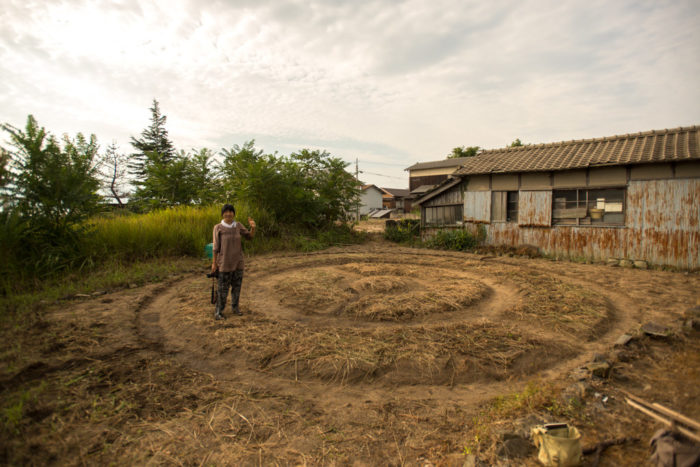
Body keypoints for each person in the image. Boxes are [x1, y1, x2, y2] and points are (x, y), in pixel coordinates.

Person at [211, 204, 256, 320]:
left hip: (238, 263)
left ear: (234, 213)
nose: (229, 214)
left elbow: (250, 237)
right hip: (224, 263)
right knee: (222, 290)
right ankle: (218, 312)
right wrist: (214, 263)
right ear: (222, 214)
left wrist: (253, 228)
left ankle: (235, 308)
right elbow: (215, 247)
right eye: (226, 211)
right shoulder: (218, 227)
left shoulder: (238, 225)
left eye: (231, 211)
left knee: (237, 288)